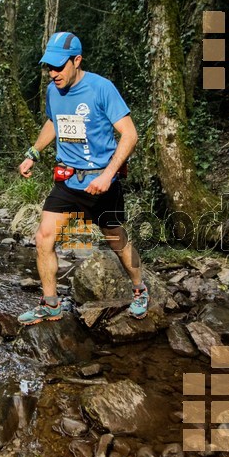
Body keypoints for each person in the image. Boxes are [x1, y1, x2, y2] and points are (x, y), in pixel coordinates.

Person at [16, 31, 148, 326]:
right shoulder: (54, 91)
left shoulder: (102, 88)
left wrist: (108, 175)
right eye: (48, 68)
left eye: (59, 67)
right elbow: (54, 121)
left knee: (117, 240)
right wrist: (33, 153)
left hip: (103, 184)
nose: (53, 74)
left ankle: (140, 289)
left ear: (77, 60)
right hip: (68, 180)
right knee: (43, 238)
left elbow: (130, 134)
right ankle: (51, 304)